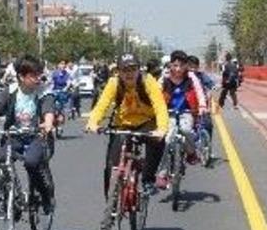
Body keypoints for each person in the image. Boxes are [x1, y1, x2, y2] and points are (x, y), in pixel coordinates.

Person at [0, 55, 56, 213]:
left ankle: (45, 196)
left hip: (37, 137)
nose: (38, 78)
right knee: (1, 159)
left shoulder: (43, 92)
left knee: (31, 162)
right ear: (21, 77)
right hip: (14, 135)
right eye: (33, 75)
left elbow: (48, 110)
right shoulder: (10, 91)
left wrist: (48, 123)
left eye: (39, 74)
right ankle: (7, 195)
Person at [86, 52, 170, 197]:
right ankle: (112, 197)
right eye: (124, 70)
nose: (129, 74)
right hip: (122, 124)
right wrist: (92, 122)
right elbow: (101, 105)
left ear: (139, 70)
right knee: (112, 162)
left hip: (146, 122)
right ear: (118, 72)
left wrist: (162, 129)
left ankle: (148, 180)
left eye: (133, 69)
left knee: (157, 142)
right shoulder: (114, 83)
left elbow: (160, 106)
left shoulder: (148, 81)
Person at [159, 49, 208, 174]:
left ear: (186, 66)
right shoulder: (164, 77)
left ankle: (191, 153)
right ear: (170, 65)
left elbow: (199, 91)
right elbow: (155, 92)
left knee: (186, 130)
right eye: (175, 65)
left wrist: (202, 106)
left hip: (186, 111)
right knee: (167, 139)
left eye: (181, 65)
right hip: (168, 112)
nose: (178, 69)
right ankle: (163, 173)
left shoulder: (191, 77)